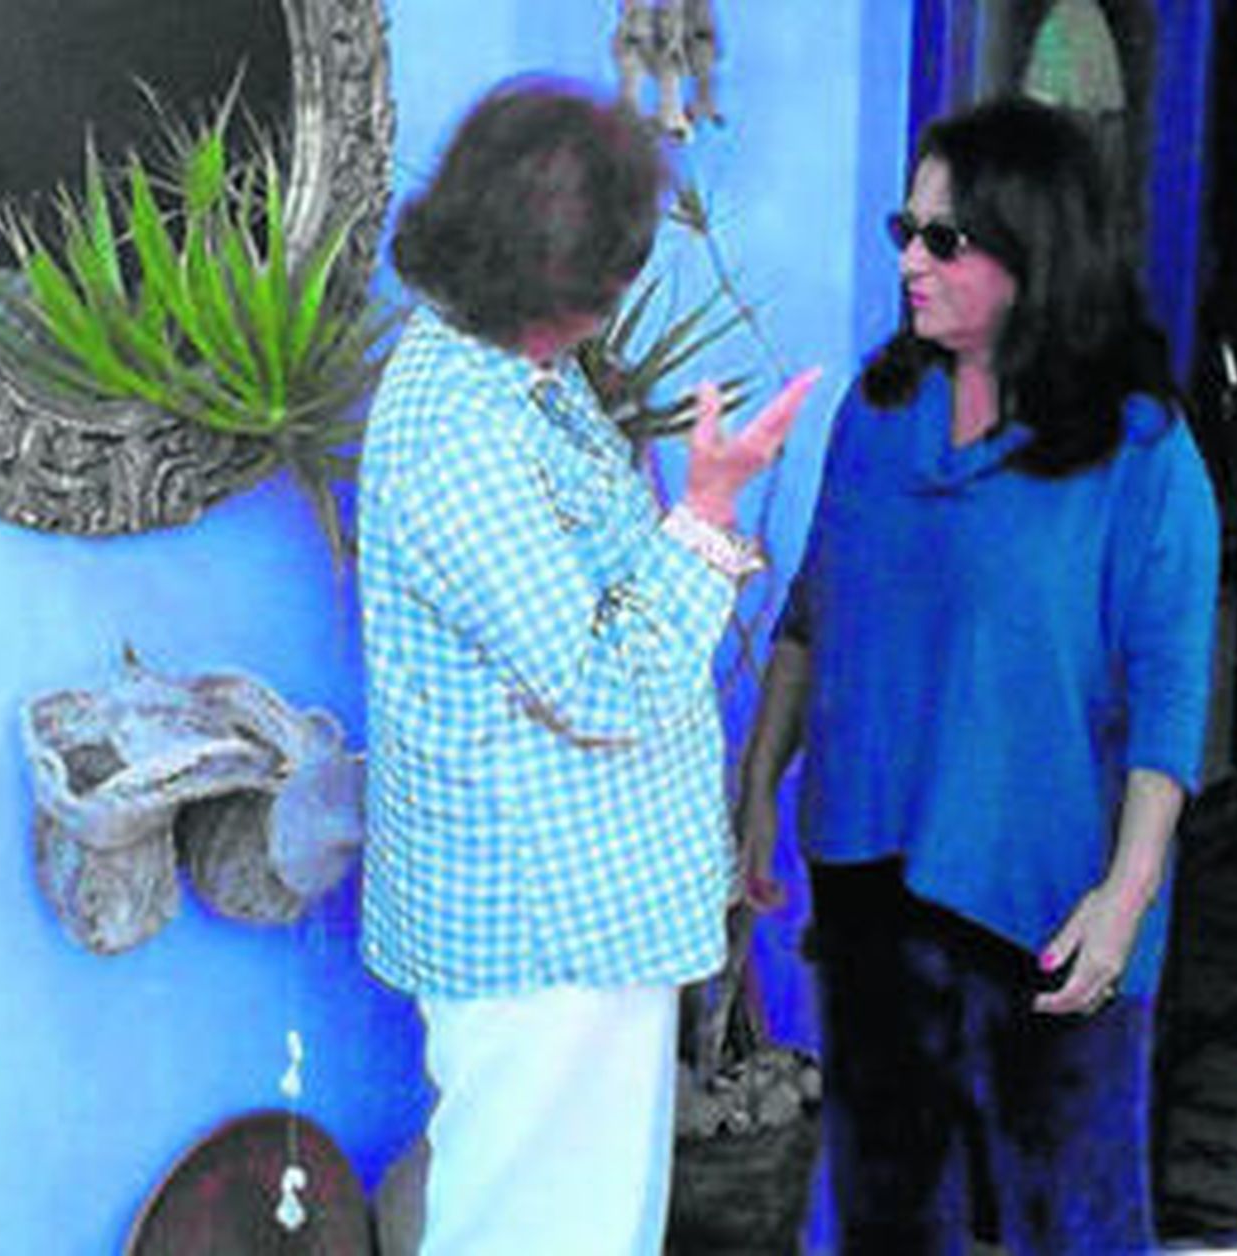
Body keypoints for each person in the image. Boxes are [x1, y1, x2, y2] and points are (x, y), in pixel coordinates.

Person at [735, 97, 1219, 1255]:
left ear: (1030, 249)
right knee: (884, 1213)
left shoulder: (1139, 451)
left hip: (1045, 903)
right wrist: (755, 785)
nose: (907, 256)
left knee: (1074, 1221)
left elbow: (1168, 700)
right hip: (867, 877)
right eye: (907, 225)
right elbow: (809, 611)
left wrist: (1124, 898)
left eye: (942, 238)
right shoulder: (879, 407)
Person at [356, 77, 818, 1255]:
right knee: (535, 1231)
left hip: (573, 917)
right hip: (537, 929)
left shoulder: (516, 382)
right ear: (562, 280)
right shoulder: (462, 429)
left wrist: (694, 524)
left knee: (583, 1226)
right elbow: (603, 682)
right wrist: (710, 512)